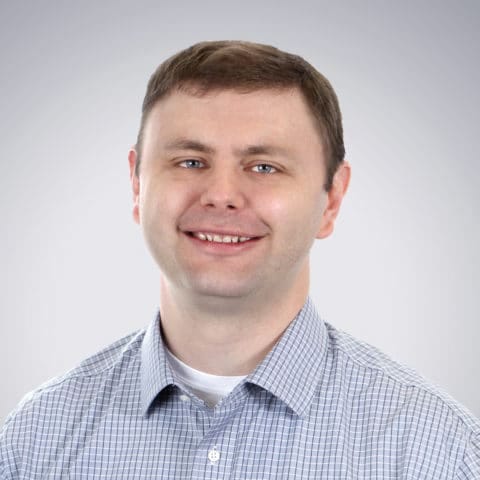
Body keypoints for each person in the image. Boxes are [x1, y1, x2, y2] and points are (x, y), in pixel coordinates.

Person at [1, 40, 478, 479]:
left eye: (264, 167)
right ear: (137, 184)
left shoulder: (435, 450)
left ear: (331, 200)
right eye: (190, 161)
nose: (221, 194)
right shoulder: (34, 440)